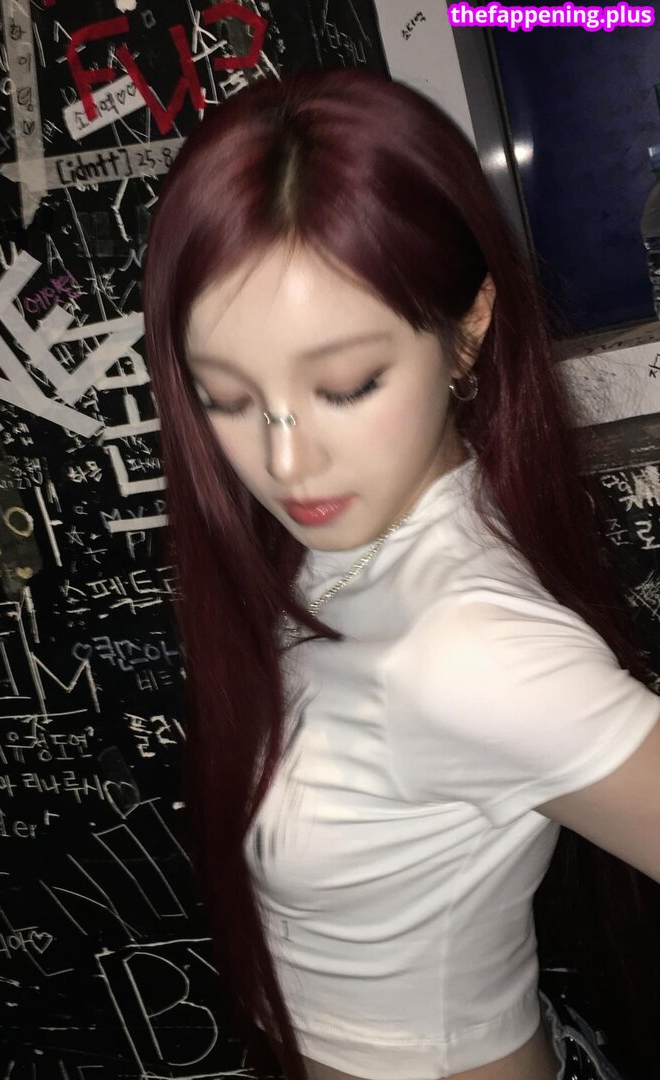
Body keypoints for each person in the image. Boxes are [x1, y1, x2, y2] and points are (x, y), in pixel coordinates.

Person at [140, 70, 660, 1080]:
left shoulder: (471, 652)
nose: (285, 462)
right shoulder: (353, 541)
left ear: (468, 328)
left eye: (346, 386)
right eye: (226, 397)